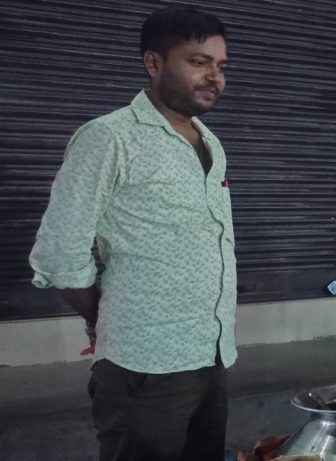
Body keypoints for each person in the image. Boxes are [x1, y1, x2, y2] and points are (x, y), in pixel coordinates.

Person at [28, 6, 235, 460]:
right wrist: (106, 313)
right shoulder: (109, 138)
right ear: (154, 63)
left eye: (221, 67)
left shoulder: (209, 142)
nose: (214, 78)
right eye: (198, 62)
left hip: (211, 355)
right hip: (144, 364)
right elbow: (59, 254)